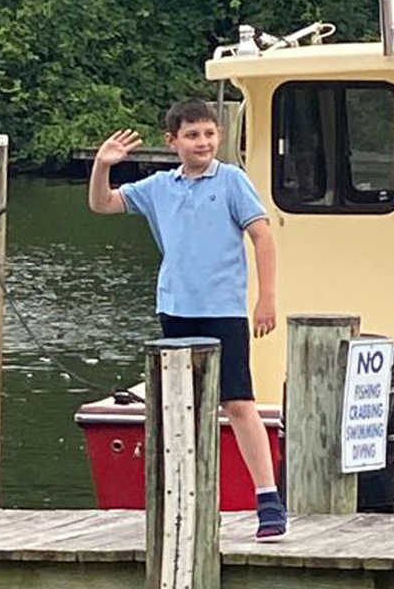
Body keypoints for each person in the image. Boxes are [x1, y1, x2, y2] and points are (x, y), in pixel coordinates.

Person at [91, 100, 287, 541]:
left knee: (238, 403)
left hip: (224, 310)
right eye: (193, 135)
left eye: (209, 134)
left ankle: (268, 498)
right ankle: (185, 501)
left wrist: (267, 298)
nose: (203, 143)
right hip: (175, 309)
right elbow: (102, 204)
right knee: (183, 406)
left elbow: (262, 235)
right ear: (173, 141)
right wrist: (103, 166)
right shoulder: (159, 186)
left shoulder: (232, 180)